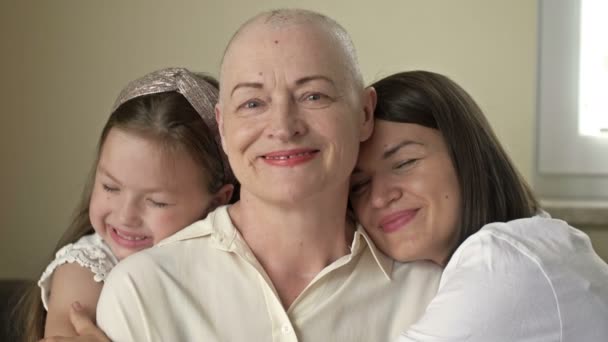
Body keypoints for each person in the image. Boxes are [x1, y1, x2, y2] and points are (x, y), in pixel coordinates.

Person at [77, 9, 444, 342]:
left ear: (364, 114)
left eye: (313, 96)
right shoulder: (143, 291)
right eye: (252, 103)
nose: (283, 127)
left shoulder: (434, 294)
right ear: (223, 126)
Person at [349, 70, 608, 341]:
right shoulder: (532, 245)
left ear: (466, 154)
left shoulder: (503, 261)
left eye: (404, 163)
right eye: (359, 186)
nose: (379, 197)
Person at [19, 67, 236, 341]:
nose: (125, 215)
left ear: (217, 201)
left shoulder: (228, 259)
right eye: (110, 187)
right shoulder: (86, 268)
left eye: (156, 202)